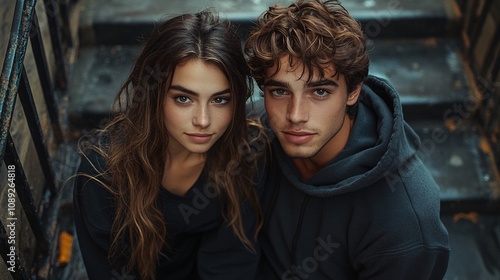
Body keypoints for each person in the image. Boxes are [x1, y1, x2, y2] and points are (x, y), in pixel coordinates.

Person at [244, 0, 450, 279]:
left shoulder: (406, 224)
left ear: (353, 91)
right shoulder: (254, 132)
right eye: (280, 92)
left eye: (319, 92)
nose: (295, 115)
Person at [73, 10, 266, 280]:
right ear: (154, 95)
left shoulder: (246, 149)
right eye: (183, 99)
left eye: (220, 100)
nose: (203, 120)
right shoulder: (103, 173)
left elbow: (231, 260)